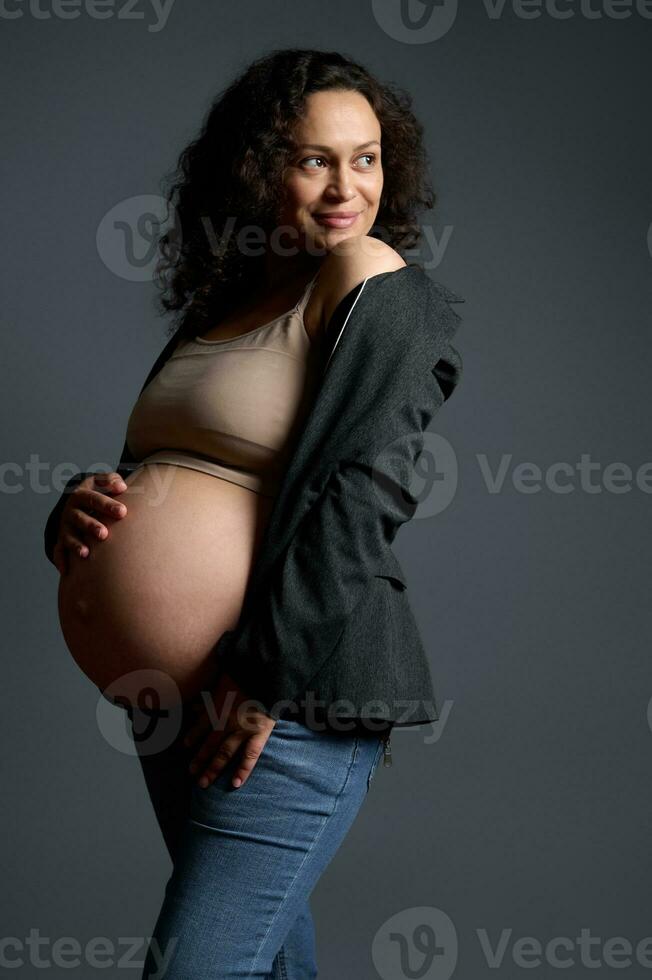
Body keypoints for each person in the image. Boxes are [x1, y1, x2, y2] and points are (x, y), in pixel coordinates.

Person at [43, 48, 463, 978]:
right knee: (269, 968)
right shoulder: (229, 305)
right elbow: (164, 468)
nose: (345, 187)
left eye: (366, 157)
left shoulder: (369, 276)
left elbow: (367, 490)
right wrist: (73, 516)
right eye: (314, 159)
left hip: (279, 701)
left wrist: (261, 678)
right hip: (179, 708)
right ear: (258, 168)